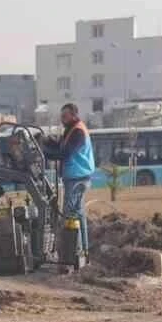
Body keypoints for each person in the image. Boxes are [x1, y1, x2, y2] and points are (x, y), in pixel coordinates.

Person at [55, 103, 96, 262]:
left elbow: (65, 152)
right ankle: (83, 251)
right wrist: (45, 142)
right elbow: (60, 146)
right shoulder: (71, 130)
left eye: (65, 116)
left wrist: (47, 153)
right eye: (61, 116)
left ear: (73, 115)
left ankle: (72, 254)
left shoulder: (78, 131)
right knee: (78, 214)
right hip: (76, 177)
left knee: (69, 214)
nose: (62, 119)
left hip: (77, 178)